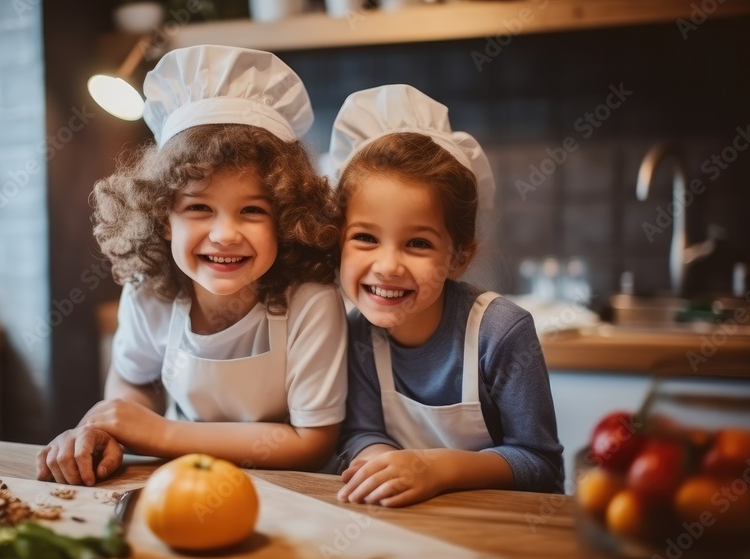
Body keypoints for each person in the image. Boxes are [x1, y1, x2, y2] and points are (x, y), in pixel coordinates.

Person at [37, 45, 348, 486]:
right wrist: (112, 430)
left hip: (294, 490)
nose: (225, 234)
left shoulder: (311, 303)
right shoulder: (150, 290)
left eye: (253, 211)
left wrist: (162, 433)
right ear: (164, 219)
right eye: (200, 208)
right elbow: (133, 385)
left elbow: (311, 443)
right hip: (184, 480)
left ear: (285, 218)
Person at [330, 84, 563, 507]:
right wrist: (383, 466)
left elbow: (541, 464)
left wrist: (434, 469)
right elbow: (361, 432)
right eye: (365, 237)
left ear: (459, 257)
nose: (387, 266)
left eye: (417, 243)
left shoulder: (501, 332)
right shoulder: (355, 333)